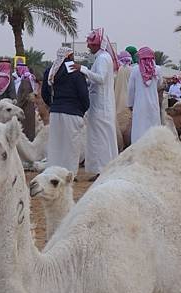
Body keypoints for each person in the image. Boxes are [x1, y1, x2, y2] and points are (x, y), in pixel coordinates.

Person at [73, 28, 119, 180]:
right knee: (99, 137)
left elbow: (100, 78)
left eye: (90, 44)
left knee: (101, 138)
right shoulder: (101, 58)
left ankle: (103, 170)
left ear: (97, 45)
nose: (88, 47)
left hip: (101, 106)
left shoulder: (103, 58)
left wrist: (83, 69)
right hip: (99, 105)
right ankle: (102, 169)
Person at [41, 47, 89, 175]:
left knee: (56, 144)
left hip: (56, 111)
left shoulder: (51, 71)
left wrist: (52, 105)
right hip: (73, 112)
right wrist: (83, 109)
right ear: (68, 57)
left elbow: (44, 93)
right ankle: (69, 174)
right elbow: (83, 93)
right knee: (71, 146)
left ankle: (53, 173)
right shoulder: (75, 70)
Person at [127, 47, 162, 144]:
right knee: (153, 128)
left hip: (139, 105)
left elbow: (131, 89)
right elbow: (159, 84)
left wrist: (130, 104)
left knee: (139, 128)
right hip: (153, 105)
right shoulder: (157, 70)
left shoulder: (135, 70)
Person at [15, 64, 37, 141]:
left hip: (26, 108)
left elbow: (25, 96)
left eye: (17, 70)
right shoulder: (28, 78)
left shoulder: (25, 80)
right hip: (29, 107)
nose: (16, 72)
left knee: (26, 128)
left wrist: (18, 106)